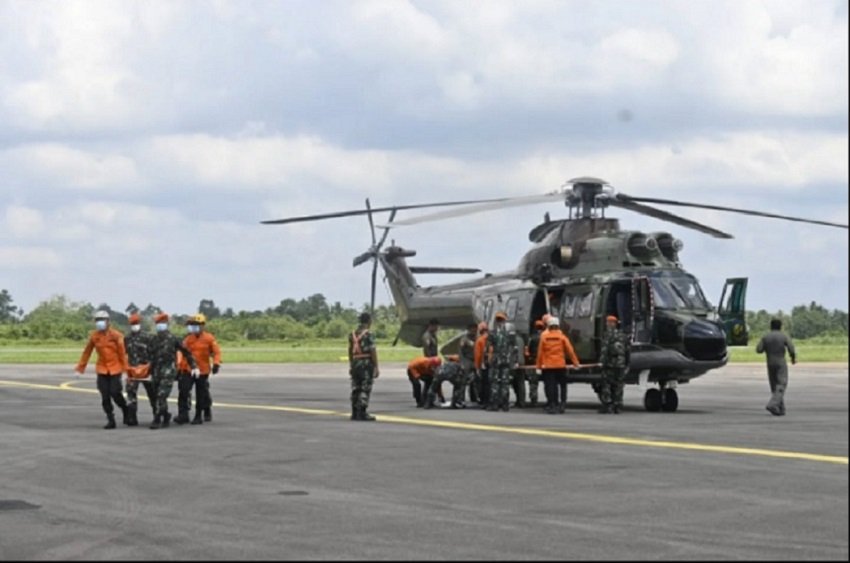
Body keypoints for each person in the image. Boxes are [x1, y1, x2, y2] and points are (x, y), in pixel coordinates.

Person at [75, 310, 130, 429]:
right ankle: (110, 419)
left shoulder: (116, 335)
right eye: (97, 320)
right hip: (102, 368)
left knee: (115, 393)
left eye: (102, 320)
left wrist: (126, 370)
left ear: (108, 321)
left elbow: (122, 353)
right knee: (105, 395)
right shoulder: (94, 336)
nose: (99, 323)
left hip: (115, 368)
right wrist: (80, 368)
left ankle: (125, 410)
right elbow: (87, 352)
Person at [148, 313, 199, 429]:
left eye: (161, 323)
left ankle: (157, 419)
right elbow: (150, 356)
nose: (159, 326)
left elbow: (187, 353)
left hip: (168, 371)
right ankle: (165, 415)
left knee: (162, 395)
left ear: (166, 324)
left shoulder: (173, 339)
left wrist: (193, 366)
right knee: (156, 396)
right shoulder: (153, 339)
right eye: (157, 324)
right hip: (156, 372)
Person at [180, 314, 222, 425]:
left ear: (202, 326)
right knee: (184, 390)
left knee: (201, 393)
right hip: (189, 369)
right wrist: (180, 368)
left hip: (203, 370)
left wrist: (216, 364)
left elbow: (216, 352)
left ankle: (199, 414)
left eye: (196, 325)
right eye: (192, 325)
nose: (193, 328)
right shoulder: (188, 339)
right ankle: (183, 414)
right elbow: (183, 354)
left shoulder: (209, 338)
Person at [536, 316, 580, 414]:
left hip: (548, 366)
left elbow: (540, 353)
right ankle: (562, 404)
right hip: (560, 365)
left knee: (551, 386)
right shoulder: (562, 337)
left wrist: (538, 367)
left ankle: (552, 405)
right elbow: (570, 351)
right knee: (562, 385)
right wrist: (575, 363)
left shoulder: (544, 337)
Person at [756, 318, 797, 416]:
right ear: (780, 326)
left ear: (771, 326)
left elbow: (759, 350)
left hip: (770, 363)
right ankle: (773, 404)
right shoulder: (783, 336)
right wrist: (793, 358)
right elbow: (791, 348)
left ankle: (780, 408)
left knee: (774, 386)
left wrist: (767, 348)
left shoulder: (766, 337)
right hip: (780, 362)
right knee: (781, 384)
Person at [124, 312, 156, 426]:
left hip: (147, 370)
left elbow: (154, 353)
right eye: (132, 324)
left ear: (140, 324)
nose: (134, 325)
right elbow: (125, 353)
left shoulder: (148, 337)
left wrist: (152, 368)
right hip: (133, 371)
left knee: (153, 394)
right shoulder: (127, 339)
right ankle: (132, 418)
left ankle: (157, 416)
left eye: (136, 323)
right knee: (131, 394)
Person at [348, 312, 379, 421]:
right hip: (366, 363)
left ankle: (354, 412)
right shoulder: (368, 334)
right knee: (365, 387)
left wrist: (351, 364)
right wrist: (376, 366)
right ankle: (362, 412)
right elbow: (372, 350)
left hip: (356, 362)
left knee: (356, 387)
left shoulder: (353, 334)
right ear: (369, 321)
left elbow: (350, 350)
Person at [486, 312, 519, 412]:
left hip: (496, 360)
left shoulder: (492, 333)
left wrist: (486, 360)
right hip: (506, 360)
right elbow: (515, 348)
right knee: (505, 382)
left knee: (495, 382)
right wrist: (515, 361)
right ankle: (505, 404)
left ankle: (494, 404)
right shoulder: (510, 333)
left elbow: (488, 348)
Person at [598, 315, 630, 414]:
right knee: (619, 385)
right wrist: (627, 364)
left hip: (610, 364)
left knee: (607, 384)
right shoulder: (623, 335)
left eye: (608, 322)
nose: (607, 324)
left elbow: (605, 350)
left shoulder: (608, 335)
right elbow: (628, 351)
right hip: (621, 364)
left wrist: (601, 362)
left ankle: (608, 405)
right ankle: (618, 405)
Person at [524, 319, 545, 407]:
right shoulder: (545, 336)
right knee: (549, 382)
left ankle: (534, 399)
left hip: (534, 362)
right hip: (545, 362)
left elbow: (527, 350)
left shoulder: (532, 338)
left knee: (533, 382)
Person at [459, 323, 478, 404]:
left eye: (475, 329)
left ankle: (474, 397)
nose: (474, 331)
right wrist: (462, 362)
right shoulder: (464, 339)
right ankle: (461, 398)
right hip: (466, 360)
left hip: (474, 360)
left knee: (475, 380)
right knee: (463, 380)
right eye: (472, 329)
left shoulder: (477, 338)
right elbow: (460, 351)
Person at [473, 322, 490, 408]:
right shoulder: (491, 339)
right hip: (492, 364)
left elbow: (478, 355)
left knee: (484, 384)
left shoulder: (479, 340)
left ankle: (484, 401)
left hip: (484, 365)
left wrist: (477, 367)